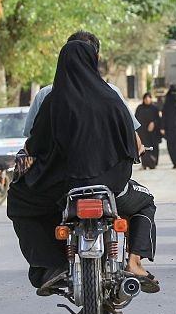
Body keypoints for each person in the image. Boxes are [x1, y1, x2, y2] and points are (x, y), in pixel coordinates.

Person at [9, 39, 159, 296]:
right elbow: (131, 144)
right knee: (145, 202)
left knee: (19, 202)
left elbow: (35, 145)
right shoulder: (112, 99)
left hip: (64, 189)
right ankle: (134, 262)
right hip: (110, 187)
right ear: (94, 62)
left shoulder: (52, 101)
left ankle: (52, 266)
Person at [22, 31, 141, 137]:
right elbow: (130, 133)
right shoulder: (112, 94)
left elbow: (32, 134)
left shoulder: (47, 95)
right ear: (97, 58)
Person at [134, 93, 162, 169]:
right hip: (143, 133)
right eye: (145, 98)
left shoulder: (155, 108)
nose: (147, 99)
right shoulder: (139, 108)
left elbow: (159, 120)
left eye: (148, 98)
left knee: (153, 148)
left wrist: (153, 123)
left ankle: (153, 163)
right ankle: (144, 164)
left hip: (153, 133)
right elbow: (135, 119)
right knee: (144, 148)